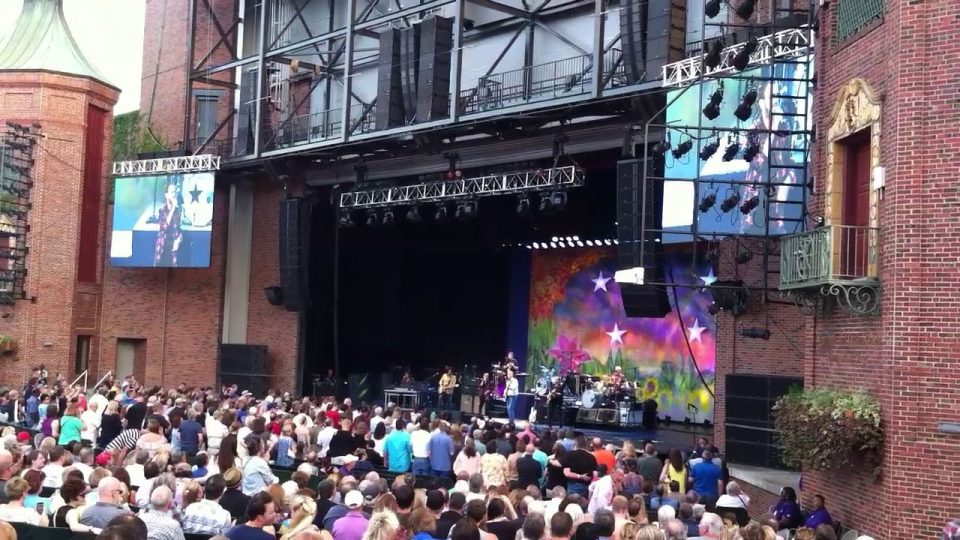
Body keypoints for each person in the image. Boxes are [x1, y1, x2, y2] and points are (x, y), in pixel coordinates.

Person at [154, 182, 184, 267]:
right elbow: (164, 227)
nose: (173, 194)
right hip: (163, 250)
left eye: (174, 192)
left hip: (172, 250)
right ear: (166, 195)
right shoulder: (162, 210)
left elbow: (179, 230)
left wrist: (178, 240)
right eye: (171, 192)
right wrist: (172, 209)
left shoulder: (178, 211)